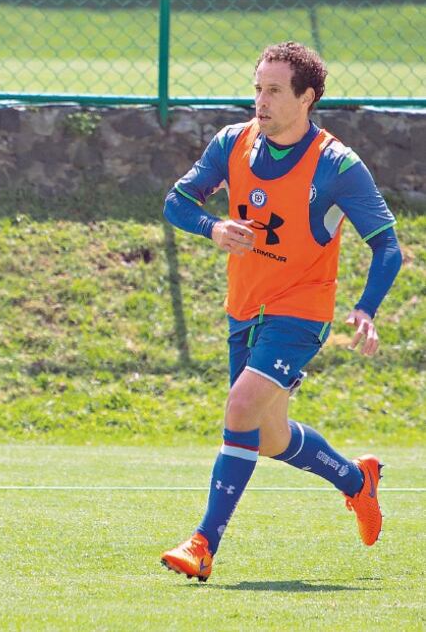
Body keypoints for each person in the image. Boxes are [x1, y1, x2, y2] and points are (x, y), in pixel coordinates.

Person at [159, 42, 403, 581]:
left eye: (273, 91)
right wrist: (213, 227)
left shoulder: (338, 166)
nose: (260, 102)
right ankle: (356, 481)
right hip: (244, 307)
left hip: (301, 310)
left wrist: (365, 308)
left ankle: (203, 544)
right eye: (257, 89)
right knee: (268, 437)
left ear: (306, 98)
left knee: (240, 407)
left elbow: (388, 246)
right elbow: (176, 202)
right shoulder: (232, 143)